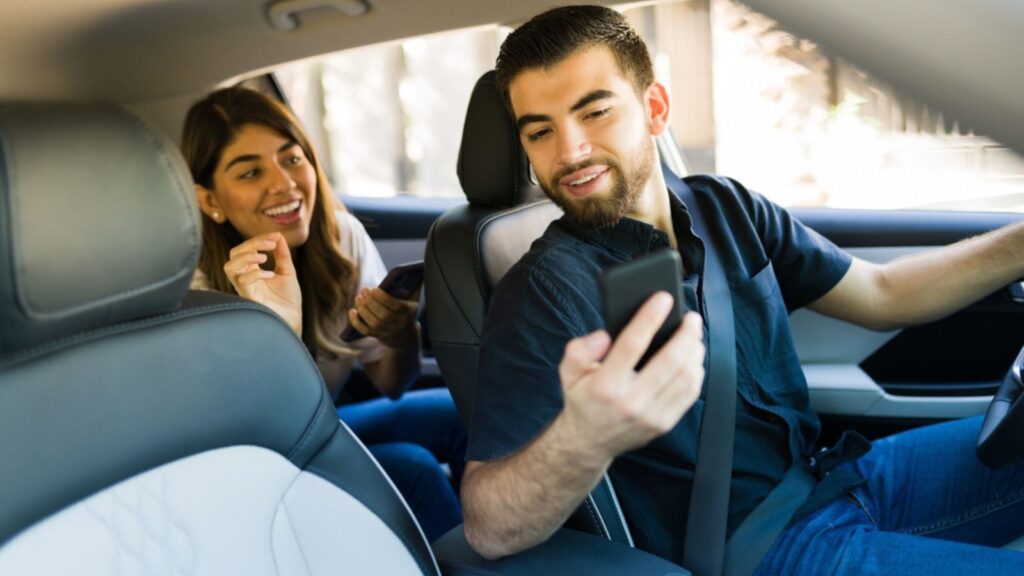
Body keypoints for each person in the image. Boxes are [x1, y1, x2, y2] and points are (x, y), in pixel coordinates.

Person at [460, 5, 1024, 574]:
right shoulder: (544, 291)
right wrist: (587, 436)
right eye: (540, 131)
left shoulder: (724, 207)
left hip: (835, 478)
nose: (570, 150)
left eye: (596, 112)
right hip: (765, 552)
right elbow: (487, 526)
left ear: (655, 109)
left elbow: (882, 293)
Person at [181, 87, 466, 542]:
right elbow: (257, 439)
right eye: (251, 171)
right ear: (210, 200)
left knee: (463, 411)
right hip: (255, 461)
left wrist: (399, 334)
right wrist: (278, 331)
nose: (284, 183)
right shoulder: (196, 289)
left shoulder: (339, 238)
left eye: (292, 159)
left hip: (323, 425)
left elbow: (393, 385)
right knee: (414, 468)